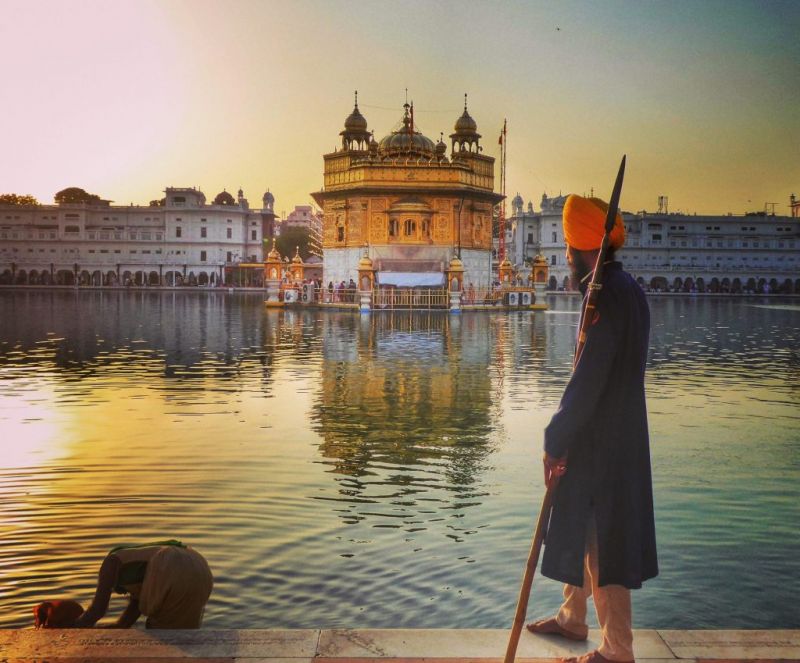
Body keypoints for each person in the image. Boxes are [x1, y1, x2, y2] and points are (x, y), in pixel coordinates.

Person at [527, 195, 657, 663]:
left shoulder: (605, 296)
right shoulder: (626, 289)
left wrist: (555, 438)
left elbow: (589, 377)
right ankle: (571, 617)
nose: (564, 255)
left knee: (604, 539)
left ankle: (617, 649)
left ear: (584, 248)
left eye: (567, 245)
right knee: (581, 521)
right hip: (611, 432)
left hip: (604, 440)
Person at [71, 540, 213, 629]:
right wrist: (120, 625)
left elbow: (97, 610)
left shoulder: (111, 562)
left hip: (170, 564)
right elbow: (134, 607)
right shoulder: (141, 567)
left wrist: (70, 628)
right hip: (200, 566)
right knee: (182, 636)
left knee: (161, 636)